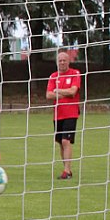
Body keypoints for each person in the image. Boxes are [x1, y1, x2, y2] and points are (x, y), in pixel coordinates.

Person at [46, 50, 81, 180]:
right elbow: (48, 95)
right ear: (57, 62)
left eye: (64, 60)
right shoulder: (53, 76)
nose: (62, 62)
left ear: (68, 61)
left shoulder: (75, 73)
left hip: (71, 113)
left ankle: (66, 171)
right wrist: (61, 93)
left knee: (66, 140)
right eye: (60, 60)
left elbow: (73, 91)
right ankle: (68, 169)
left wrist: (58, 91)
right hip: (57, 114)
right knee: (61, 142)